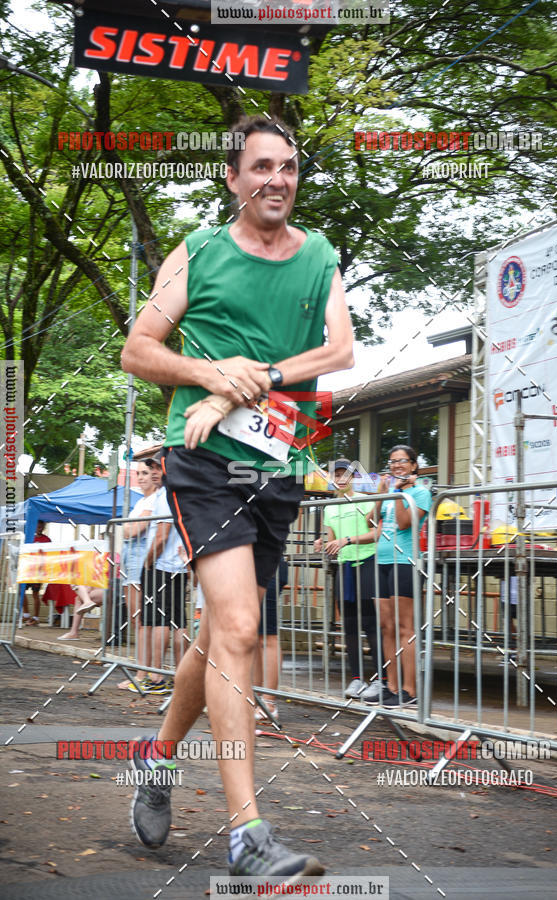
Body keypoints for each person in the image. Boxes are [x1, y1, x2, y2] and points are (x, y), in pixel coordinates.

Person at [121, 114, 353, 879]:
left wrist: (251, 381)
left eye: (287, 166)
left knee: (224, 637)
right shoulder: (198, 253)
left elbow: (340, 349)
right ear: (232, 177)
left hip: (278, 465)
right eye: (260, 167)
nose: (276, 179)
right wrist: (210, 378)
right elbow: (139, 351)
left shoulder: (318, 255)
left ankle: (155, 760)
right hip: (205, 465)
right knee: (242, 626)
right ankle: (247, 834)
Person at [363, 445, 431, 707]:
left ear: (414, 465)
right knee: (386, 627)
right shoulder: (393, 491)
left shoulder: (420, 493)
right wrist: (382, 494)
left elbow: (403, 522)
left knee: (405, 628)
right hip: (382, 559)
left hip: (405, 561)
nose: (396, 466)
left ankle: (410, 690)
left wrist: (400, 492)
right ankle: (391, 686)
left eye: (402, 461)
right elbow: (371, 521)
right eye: (392, 462)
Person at [315, 459, 380, 699]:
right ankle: (356, 679)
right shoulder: (330, 507)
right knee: (349, 624)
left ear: (353, 477)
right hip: (345, 567)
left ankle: (381, 680)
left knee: (371, 624)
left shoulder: (365, 499)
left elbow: (376, 533)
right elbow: (331, 538)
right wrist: (322, 542)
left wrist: (348, 540)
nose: (341, 479)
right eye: (337, 475)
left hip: (368, 563)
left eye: (345, 475)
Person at [132, 451, 188, 695]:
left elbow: (162, 536)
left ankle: (156, 677)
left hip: (162, 566)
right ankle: (179, 676)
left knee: (158, 622)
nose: (154, 472)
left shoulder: (166, 495)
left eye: (157, 467)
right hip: (178, 565)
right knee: (177, 623)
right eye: (150, 468)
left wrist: (147, 563)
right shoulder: (180, 493)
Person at [118, 458, 159, 689]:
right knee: (138, 620)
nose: (141, 477)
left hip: (140, 562)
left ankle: (143, 673)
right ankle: (143, 671)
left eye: (145, 472)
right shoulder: (141, 501)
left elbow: (133, 529)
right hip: (131, 562)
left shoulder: (154, 500)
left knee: (141, 620)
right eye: (139, 473)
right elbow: (127, 529)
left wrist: (126, 528)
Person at [254, 557, 288, 722]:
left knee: (267, 637)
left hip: (267, 568)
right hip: (256, 568)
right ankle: (258, 698)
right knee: (257, 639)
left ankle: (269, 702)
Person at [23, 521, 51, 625]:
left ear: (44, 527)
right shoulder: (28, 538)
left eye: (41, 526)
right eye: (37, 526)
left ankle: (35, 617)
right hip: (27, 570)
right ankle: (26, 615)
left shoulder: (47, 540)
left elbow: (50, 555)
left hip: (39, 571)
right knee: (21, 592)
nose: (39, 528)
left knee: (35, 594)